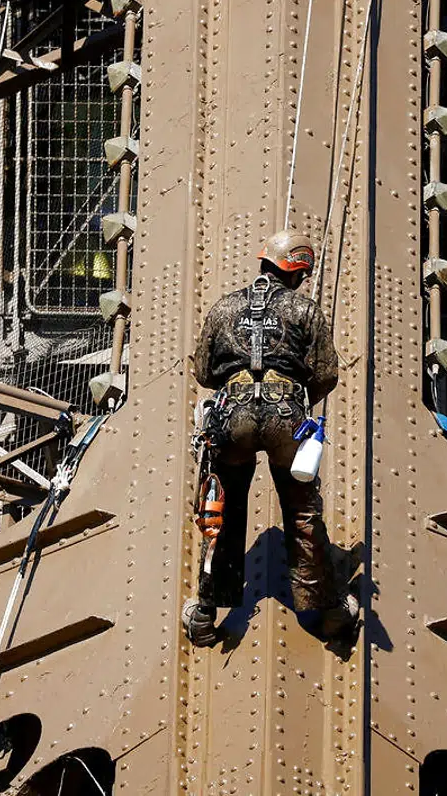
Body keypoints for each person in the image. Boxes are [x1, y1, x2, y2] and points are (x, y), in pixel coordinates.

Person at [183, 230, 359, 646]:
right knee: (302, 513)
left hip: (234, 415)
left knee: (220, 509)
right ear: (297, 270)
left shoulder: (224, 308)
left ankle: (206, 612)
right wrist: (296, 403)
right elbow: (326, 374)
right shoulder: (304, 309)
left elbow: (205, 373)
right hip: (286, 419)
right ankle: (330, 611)